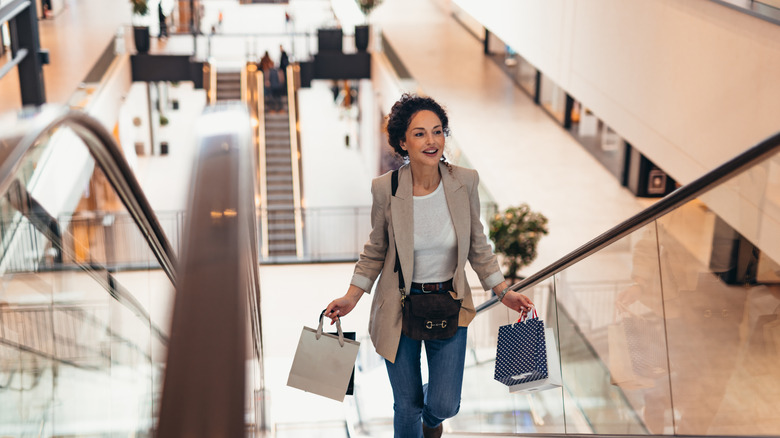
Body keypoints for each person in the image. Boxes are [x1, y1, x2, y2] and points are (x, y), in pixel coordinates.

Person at [325, 94, 534, 438]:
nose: (432, 140)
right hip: (399, 307)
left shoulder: (464, 182)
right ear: (403, 141)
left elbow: (478, 245)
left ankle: (431, 424)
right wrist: (351, 297)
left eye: (438, 131)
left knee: (445, 403)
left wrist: (501, 291)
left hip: (449, 304)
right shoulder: (386, 189)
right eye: (420, 133)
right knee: (406, 405)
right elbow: (376, 249)